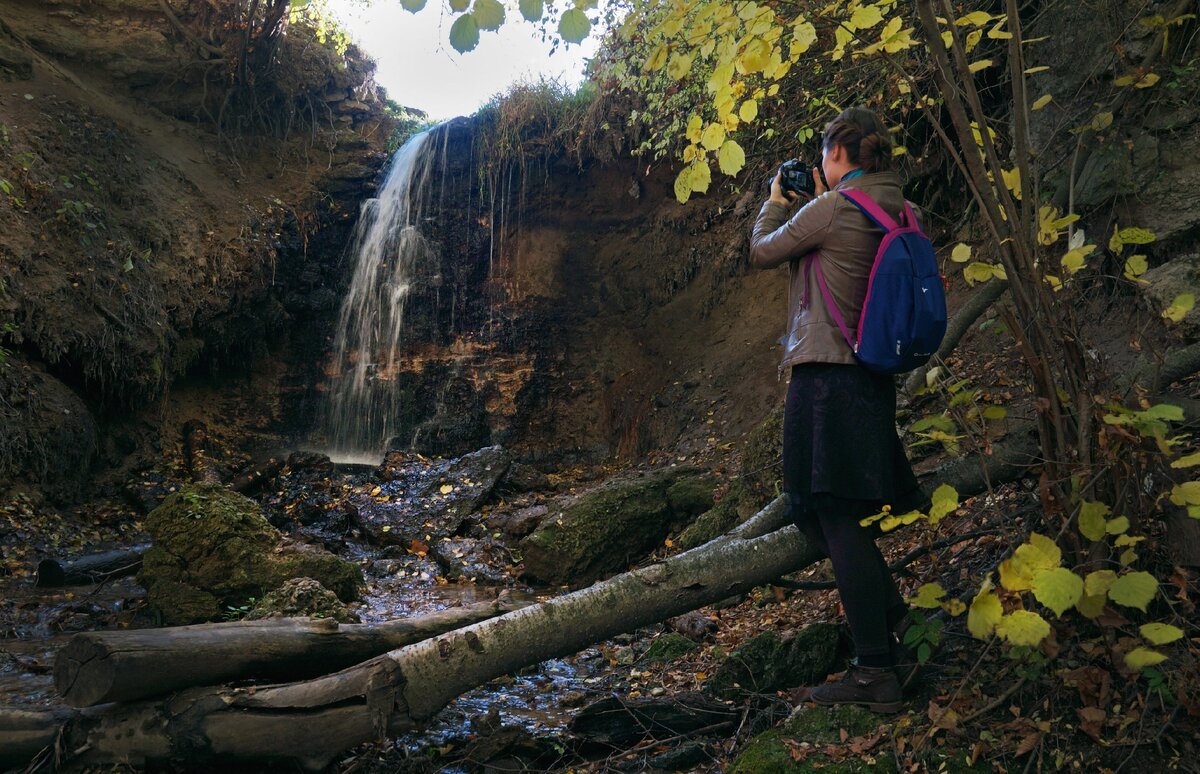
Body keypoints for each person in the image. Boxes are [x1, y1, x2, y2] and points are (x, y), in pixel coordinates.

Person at [748, 106, 925, 713]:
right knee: (838, 514)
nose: (821, 166)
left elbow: (763, 252)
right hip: (874, 377)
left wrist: (777, 199)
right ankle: (901, 634)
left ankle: (875, 670)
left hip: (826, 377)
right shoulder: (904, 210)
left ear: (838, 153)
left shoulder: (831, 208)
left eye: (825, 155)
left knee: (831, 515)